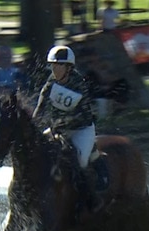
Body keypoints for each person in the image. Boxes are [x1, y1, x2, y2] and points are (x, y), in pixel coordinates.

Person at [32, 45, 104, 212]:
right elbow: (40, 108)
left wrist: (56, 125)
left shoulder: (78, 84)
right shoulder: (50, 83)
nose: (55, 69)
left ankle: (91, 200)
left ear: (69, 67)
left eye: (59, 65)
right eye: (53, 65)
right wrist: (34, 125)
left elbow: (81, 115)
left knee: (79, 161)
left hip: (81, 130)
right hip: (59, 129)